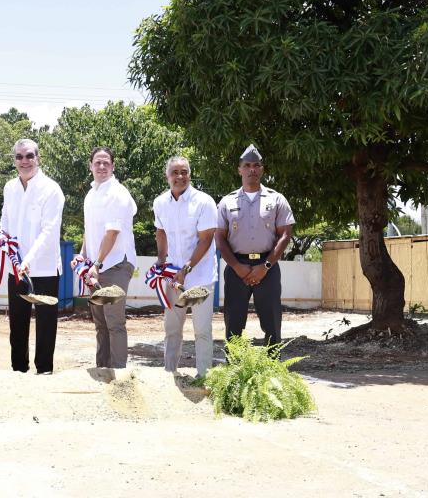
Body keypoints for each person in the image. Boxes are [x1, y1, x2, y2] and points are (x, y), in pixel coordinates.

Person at [215, 144, 295, 347]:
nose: (252, 169)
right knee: (233, 321)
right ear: (239, 169)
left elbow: (285, 235)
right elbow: (220, 238)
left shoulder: (277, 199)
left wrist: (265, 266)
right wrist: (237, 266)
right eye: (247, 165)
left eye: (256, 165)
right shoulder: (226, 202)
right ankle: (233, 370)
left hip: (267, 266)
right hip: (236, 267)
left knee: (272, 321)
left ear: (262, 169)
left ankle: (273, 370)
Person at [0, 139, 65, 374]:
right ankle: (19, 370)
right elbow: (5, 221)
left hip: (44, 268)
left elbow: (49, 230)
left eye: (29, 156)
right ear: (14, 160)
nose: (24, 161)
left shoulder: (51, 189)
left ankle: (44, 370)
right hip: (15, 267)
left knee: (46, 322)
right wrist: (6, 245)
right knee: (17, 322)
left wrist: (28, 260)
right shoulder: (9, 187)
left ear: (38, 158)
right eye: (19, 157)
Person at [70, 147, 137, 369]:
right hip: (96, 266)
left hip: (116, 263)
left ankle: (118, 375)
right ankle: (102, 370)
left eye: (106, 163)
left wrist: (96, 264)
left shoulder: (117, 193)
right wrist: (82, 255)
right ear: (90, 166)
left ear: (113, 166)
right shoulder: (91, 194)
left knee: (114, 321)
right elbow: (91, 232)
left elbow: (112, 232)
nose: (101, 166)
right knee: (100, 322)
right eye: (97, 163)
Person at [152, 156, 217, 377]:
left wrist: (185, 270)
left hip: (200, 276)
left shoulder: (204, 201)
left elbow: (206, 239)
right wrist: (161, 262)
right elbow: (160, 232)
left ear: (190, 174)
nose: (180, 176)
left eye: (184, 172)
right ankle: (169, 375)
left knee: (202, 330)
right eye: (175, 172)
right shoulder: (160, 203)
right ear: (167, 176)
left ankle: (204, 378)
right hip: (172, 277)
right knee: (172, 329)